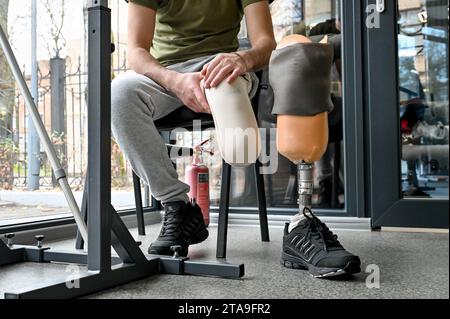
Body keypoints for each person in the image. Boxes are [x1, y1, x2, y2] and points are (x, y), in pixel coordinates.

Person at [113, 0, 276, 257]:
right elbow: (135, 51)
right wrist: (174, 81)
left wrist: (241, 59)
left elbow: (266, 43)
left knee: (242, 149)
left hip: (219, 68)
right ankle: (178, 207)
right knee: (118, 95)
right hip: (165, 75)